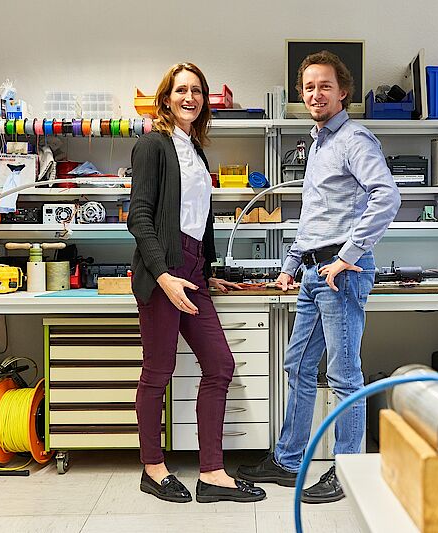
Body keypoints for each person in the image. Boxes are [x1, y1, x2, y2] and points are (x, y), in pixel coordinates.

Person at [238, 51, 401, 503]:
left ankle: (348, 471)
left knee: (345, 376)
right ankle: (289, 459)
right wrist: (290, 266)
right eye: (308, 87)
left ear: (343, 91)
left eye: (325, 86)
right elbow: (315, 214)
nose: (315, 94)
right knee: (298, 366)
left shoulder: (354, 139)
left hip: (340, 275)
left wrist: (348, 255)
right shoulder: (318, 144)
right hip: (314, 273)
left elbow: (387, 197)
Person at [128, 62, 265, 504]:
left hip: (192, 273)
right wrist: (164, 276)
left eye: (197, 91)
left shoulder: (196, 151)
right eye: (181, 90)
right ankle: (153, 468)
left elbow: (198, 220)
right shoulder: (153, 145)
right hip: (162, 274)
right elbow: (139, 217)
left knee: (220, 365)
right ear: (165, 98)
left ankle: (212, 473)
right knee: (158, 372)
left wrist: (207, 271)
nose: (190, 97)